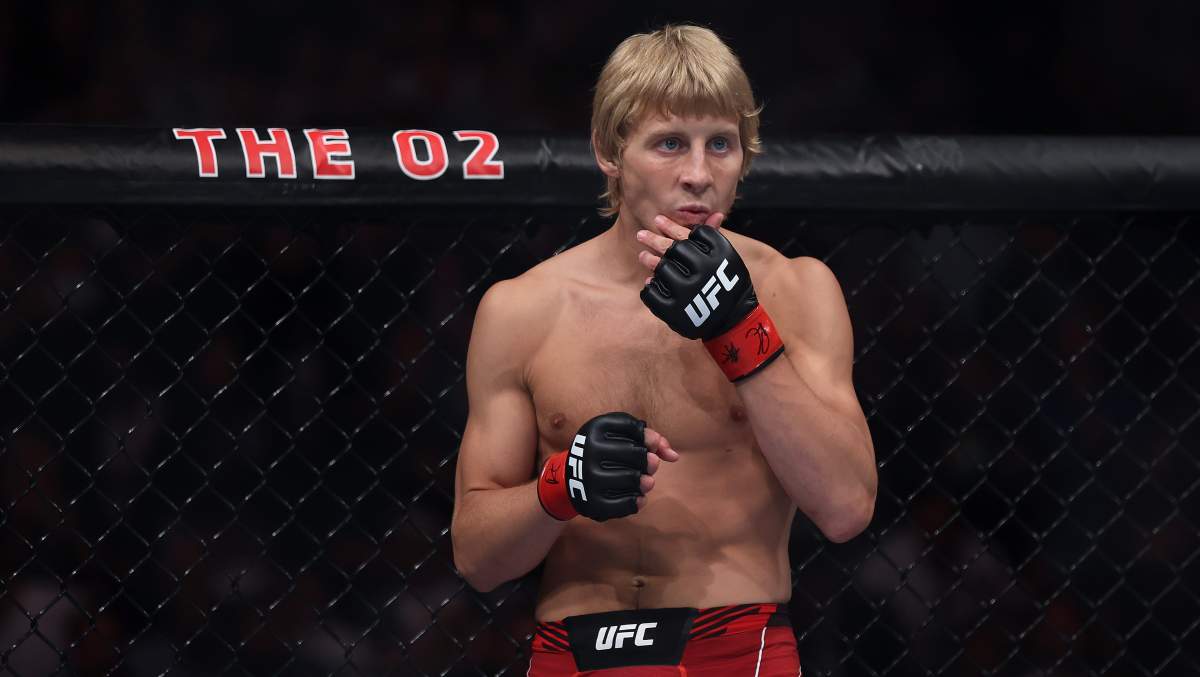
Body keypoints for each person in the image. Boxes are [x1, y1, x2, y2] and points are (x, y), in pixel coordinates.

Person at [451, 24, 877, 676]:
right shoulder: (522, 310)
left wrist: (739, 331)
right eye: (670, 143)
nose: (699, 175)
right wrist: (561, 486)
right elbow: (477, 558)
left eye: (721, 144)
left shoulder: (796, 291)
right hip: (572, 652)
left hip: (734, 649)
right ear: (609, 151)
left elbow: (846, 507)